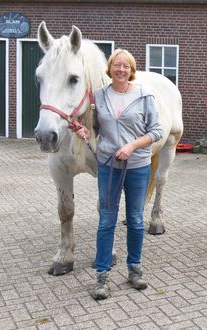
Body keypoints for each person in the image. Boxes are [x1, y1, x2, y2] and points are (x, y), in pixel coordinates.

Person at [74, 49, 162, 300]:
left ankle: (134, 270)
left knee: (135, 220)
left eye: (126, 66)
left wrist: (132, 145)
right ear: (110, 68)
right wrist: (85, 131)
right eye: (117, 65)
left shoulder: (145, 95)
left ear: (131, 70)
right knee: (106, 221)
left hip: (138, 167)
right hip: (108, 166)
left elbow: (156, 131)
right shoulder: (99, 96)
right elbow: (96, 127)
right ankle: (102, 277)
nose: (121, 69)